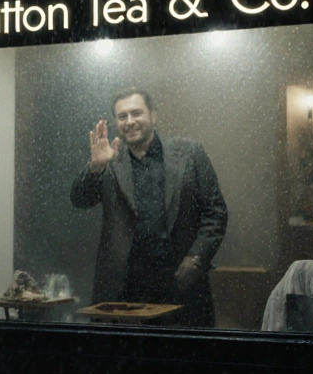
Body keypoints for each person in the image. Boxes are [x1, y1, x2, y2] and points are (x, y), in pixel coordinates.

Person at [70, 88, 228, 327]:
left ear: (153, 116)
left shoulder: (189, 153)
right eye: (122, 116)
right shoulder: (110, 159)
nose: (130, 122)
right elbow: (80, 200)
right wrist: (95, 167)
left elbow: (216, 212)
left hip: (181, 285)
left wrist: (196, 258)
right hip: (124, 290)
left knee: (185, 361)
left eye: (136, 113)